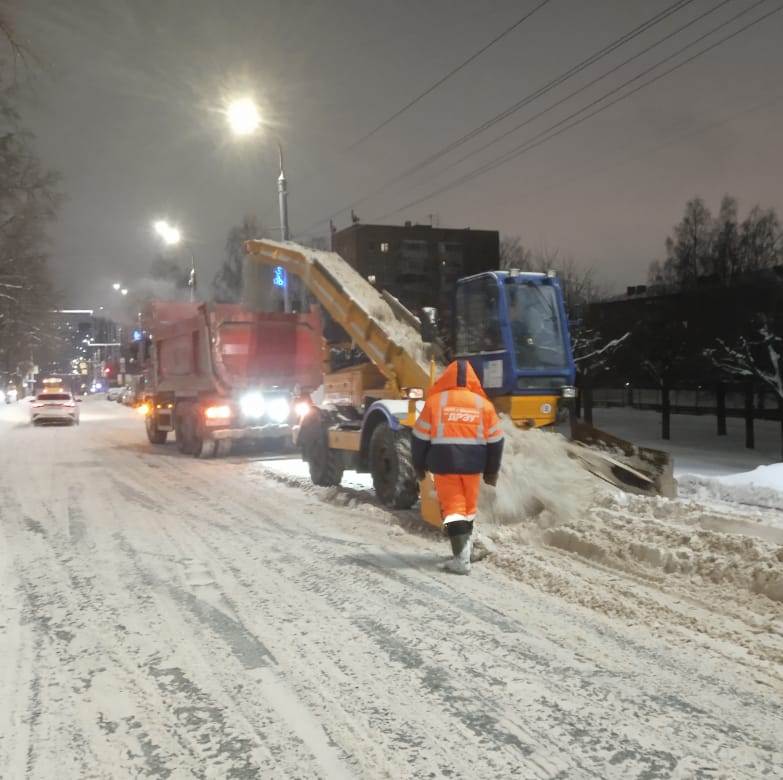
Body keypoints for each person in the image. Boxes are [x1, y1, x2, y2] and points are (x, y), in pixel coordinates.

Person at [411, 359, 504, 575]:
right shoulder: (484, 405)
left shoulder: (435, 402)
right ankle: (465, 551)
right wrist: (491, 470)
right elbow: (496, 441)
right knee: (468, 508)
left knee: (454, 509)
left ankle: (461, 560)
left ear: (446, 378)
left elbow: (419, 438)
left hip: (445, 464)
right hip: (473, 466)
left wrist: (419, 465)